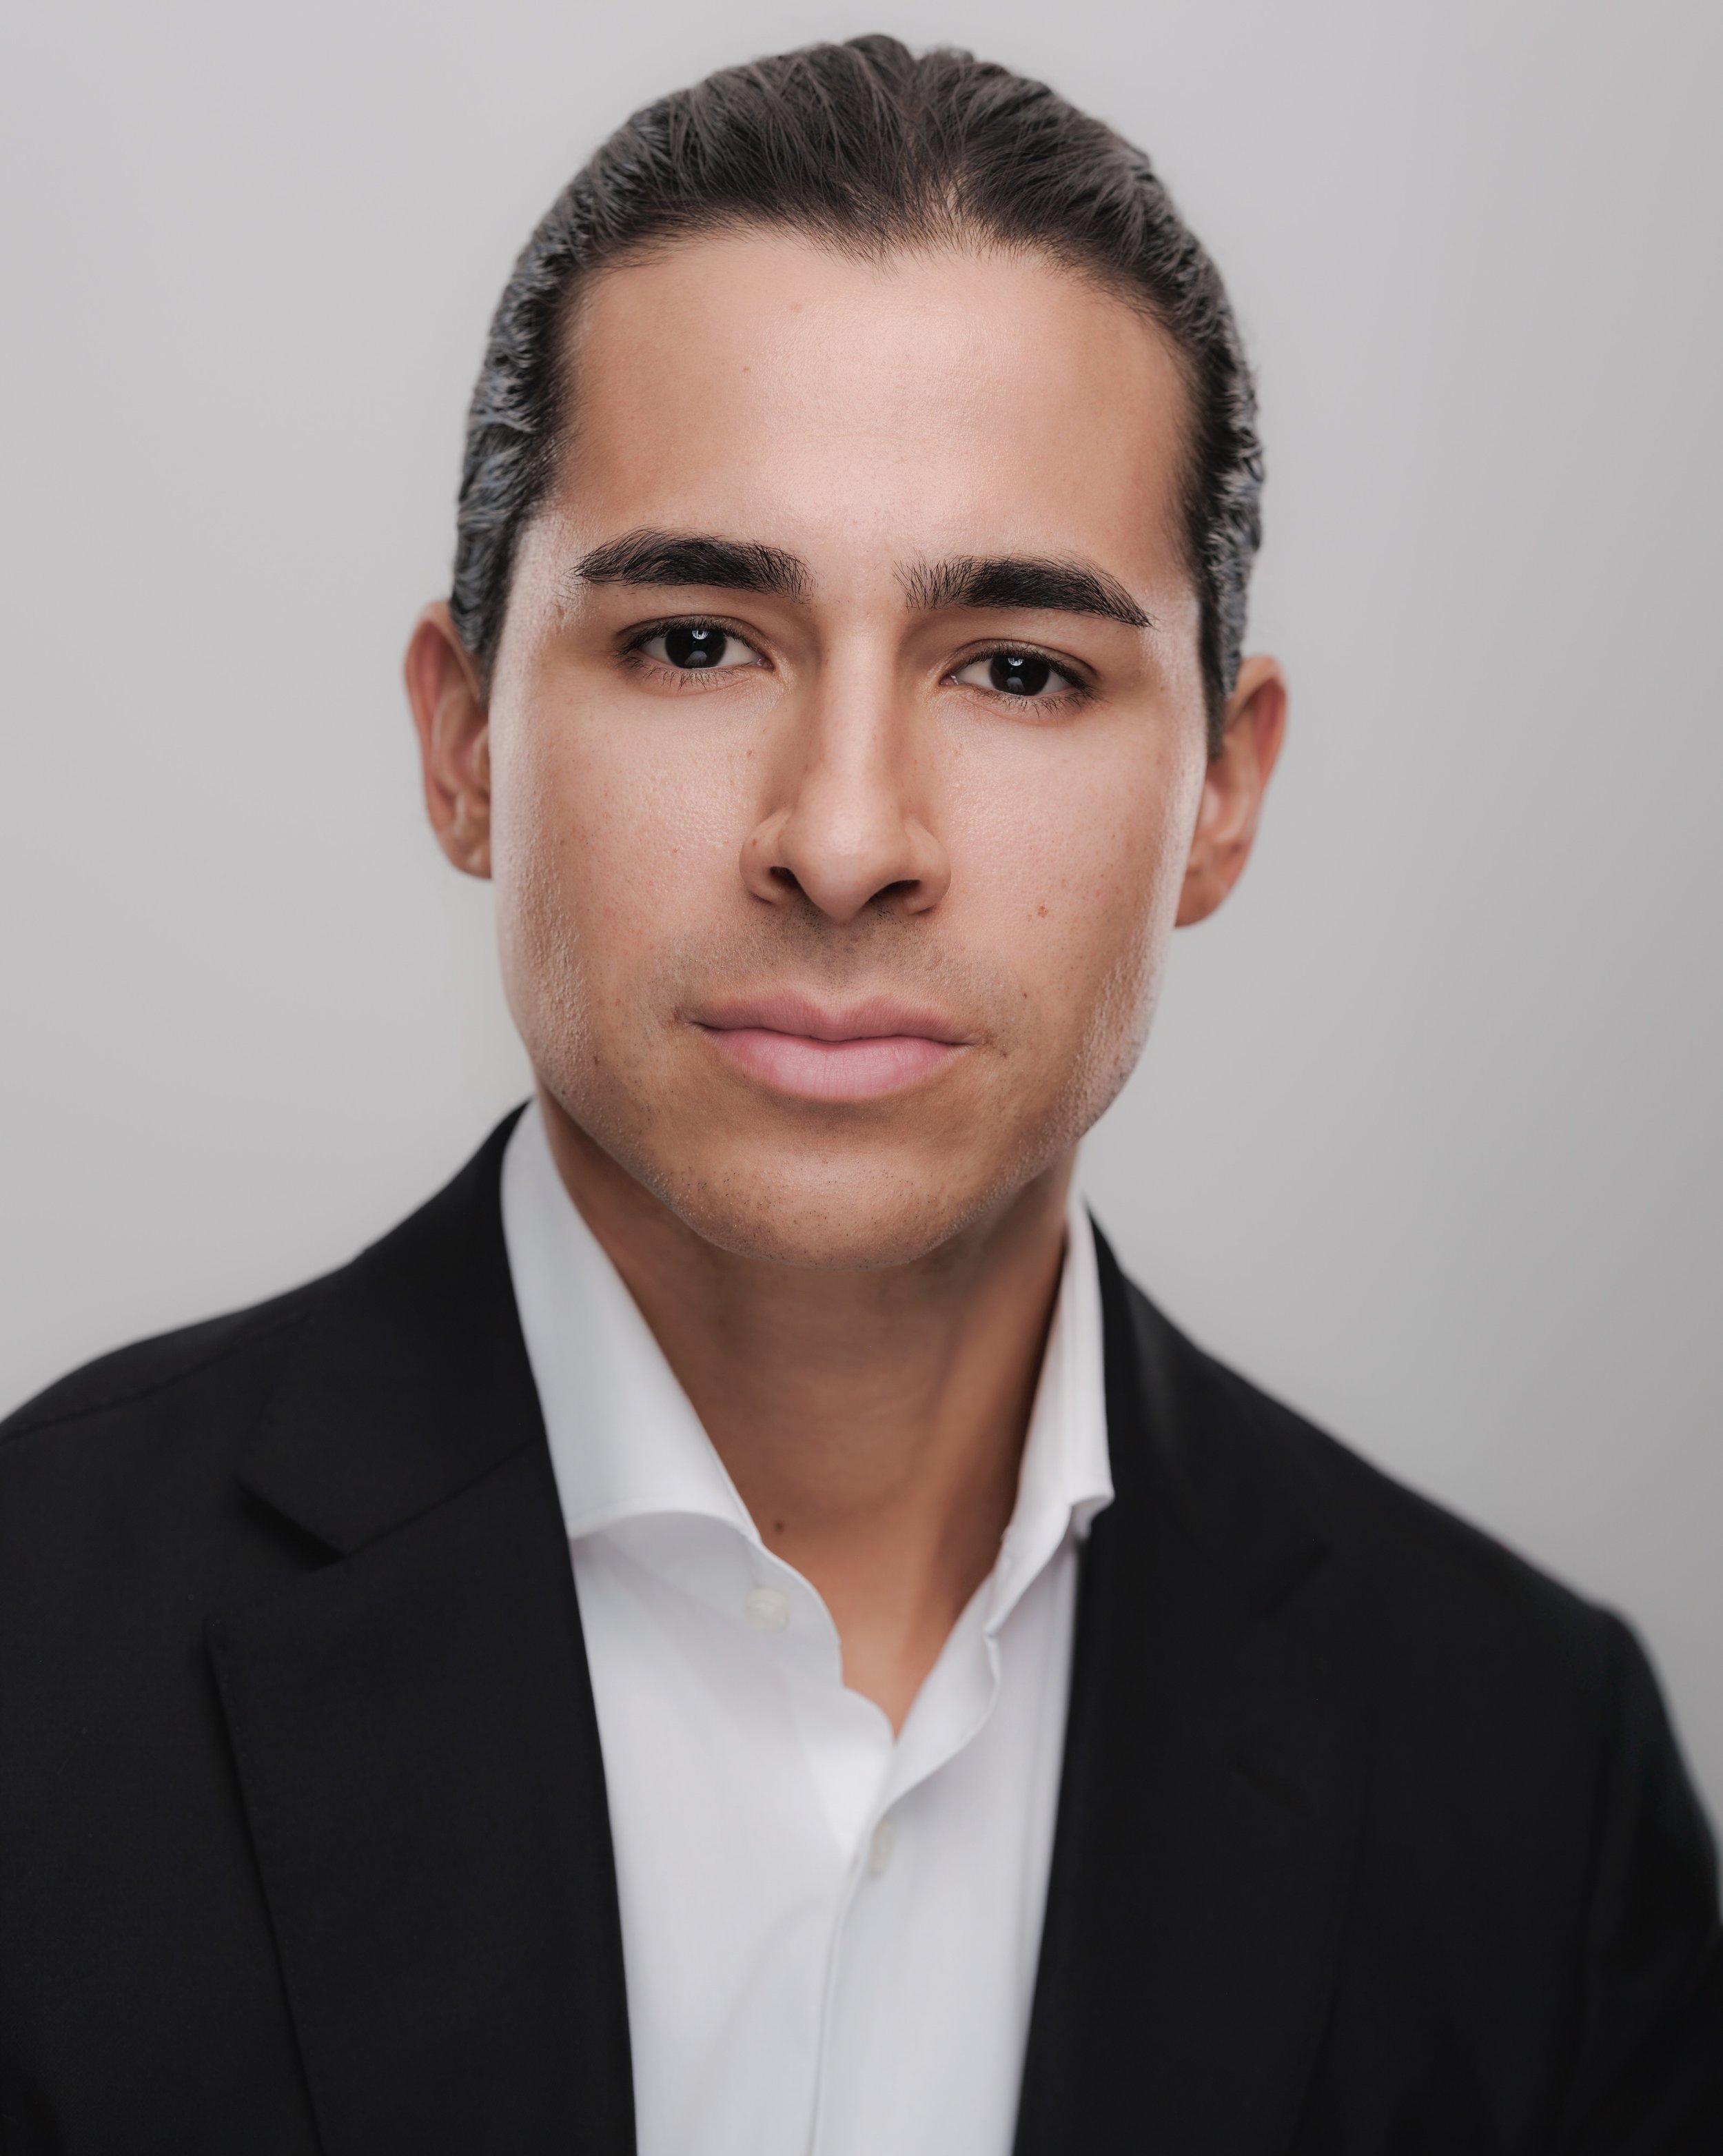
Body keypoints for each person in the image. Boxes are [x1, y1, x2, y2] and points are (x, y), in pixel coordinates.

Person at [1, 34, 1717, 2154]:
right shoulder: (29, 1656)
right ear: (460, 744)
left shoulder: (1532, 1783)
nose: (841, 836)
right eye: (698, 642)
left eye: (1018, 668)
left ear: (1220, 795)